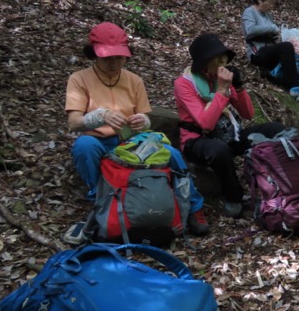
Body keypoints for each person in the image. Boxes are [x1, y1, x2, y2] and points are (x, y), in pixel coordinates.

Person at [64, 22, 210, 240]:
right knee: (84, 146)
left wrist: (141, 120)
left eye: (119, 57)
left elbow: (146, 118)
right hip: (99, 142)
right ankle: (102, 201)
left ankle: (193, 205)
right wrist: (100, 116)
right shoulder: (79, 79)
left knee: (173, 155)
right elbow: (74, 122)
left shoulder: (133, 80)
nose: (114, 63)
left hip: (131, 142)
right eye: (107, 58)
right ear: (94, 54)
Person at [174, 33, 285, 218]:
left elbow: (248, 114)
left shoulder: (221, 78)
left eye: (223, 57)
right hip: (197, 142)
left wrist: (239, 87)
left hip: (227, 134)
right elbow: (206, 124)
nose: (222, 62)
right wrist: (222, 90)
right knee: (219, 150)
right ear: (204, 62)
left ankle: (280, 183)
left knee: (275, 130)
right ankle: (233, 196)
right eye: (217, 58)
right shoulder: (184, 84)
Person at [241, 0, 299, 90]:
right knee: (286, 47)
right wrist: (271, 28)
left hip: (269, 49)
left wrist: (278, 34)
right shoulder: (249, 12)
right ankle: (291, 85)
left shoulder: (268, 15)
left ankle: (297, 77)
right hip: (257, 53)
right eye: (270, 2)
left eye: (273, 3)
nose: (271, 6)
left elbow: (271, 32)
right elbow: (250, 30)